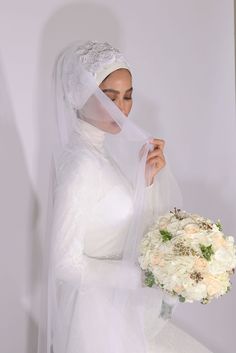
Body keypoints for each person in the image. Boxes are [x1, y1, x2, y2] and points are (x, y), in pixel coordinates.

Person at [38, 40, 212, 353]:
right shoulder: (81, 164)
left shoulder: (98, 154)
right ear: (80, 96)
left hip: (117, 310)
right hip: (96, 320)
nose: (123, 109)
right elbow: (64, 262)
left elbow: (110, 220)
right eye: (110, 97)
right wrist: (144, 275)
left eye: (128, 96)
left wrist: (144, 181)